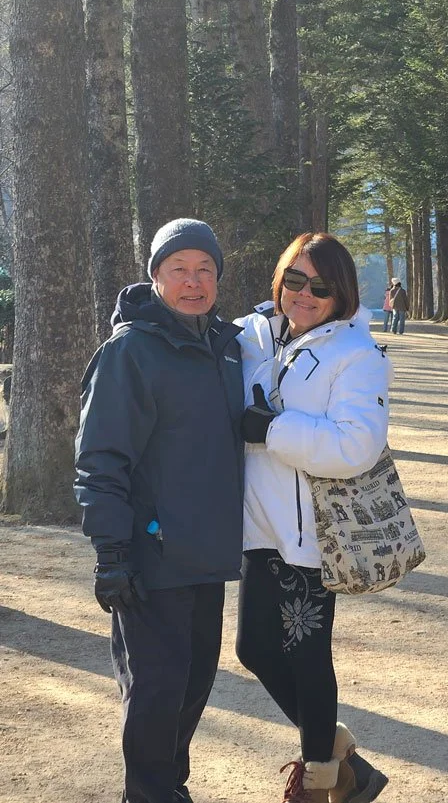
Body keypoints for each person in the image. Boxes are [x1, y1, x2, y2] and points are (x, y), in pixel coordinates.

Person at [74, 218, 244, 803]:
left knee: (193, 684)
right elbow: (100, 460)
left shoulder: (223, 347)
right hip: (151, 556)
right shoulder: (130, 352)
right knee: (155, 691)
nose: (193, 282)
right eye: (179, 270)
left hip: (207, 553)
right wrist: (112, 554)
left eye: (205, 270)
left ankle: (170, 787)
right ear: (155, 277)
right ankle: (148, 794)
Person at [235, 232, 391, 803]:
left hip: (311, 537)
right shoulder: (256, 337)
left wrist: (271, 430)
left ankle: (321, 781)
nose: (304, 294)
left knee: (306, 656)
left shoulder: (357, 355)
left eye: (319, 286)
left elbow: (357, 446)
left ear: (341, 294)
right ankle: (339, 753)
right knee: (253, 650)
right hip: (259, 528)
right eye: (294, 280)